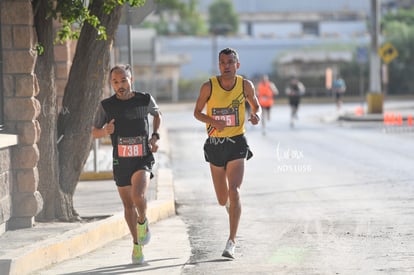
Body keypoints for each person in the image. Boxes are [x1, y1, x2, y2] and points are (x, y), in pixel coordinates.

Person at [193, 47, 262, 259]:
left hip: (237, 143)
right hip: (215, 144)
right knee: (223, 199)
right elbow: (197, 113)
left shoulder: (245, 85)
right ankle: (231, 207)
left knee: (235, 190)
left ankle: (232, 241)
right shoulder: (209, 86)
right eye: (222, 62)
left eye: (230, 62)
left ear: (237, 65)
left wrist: (255, 115)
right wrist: (212, 120)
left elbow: (256, 107)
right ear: (218, 65)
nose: (226, 66)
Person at [92, 64, 161, 264]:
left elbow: (157, 115)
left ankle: (143, 221)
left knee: (138, 195)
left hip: (142, 157)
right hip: (120, 160)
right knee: (128, 204)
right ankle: (136, 244)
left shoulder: (144, 99)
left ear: (131, 80)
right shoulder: (106, 106)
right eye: (115, 82)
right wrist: (105, 131)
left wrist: (155, 136)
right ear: (111, 84)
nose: (120, 85)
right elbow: (93, 131)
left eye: (123, 80)